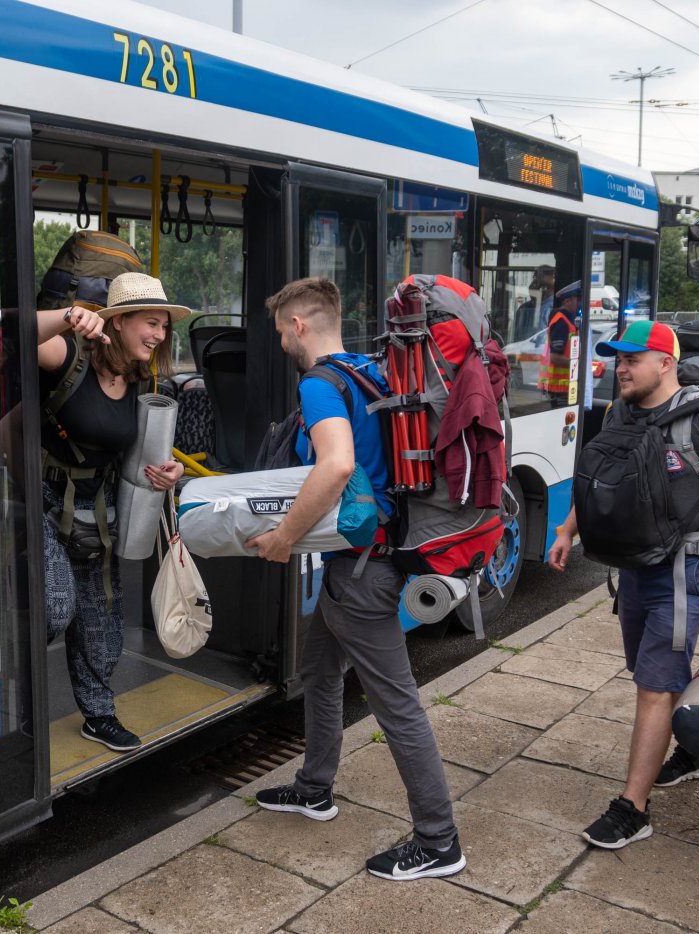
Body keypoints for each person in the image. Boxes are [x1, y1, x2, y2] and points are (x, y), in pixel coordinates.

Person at [250, 277, 464, 881]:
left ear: (297, 326)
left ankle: (439, 840)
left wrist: (285, 538)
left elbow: (337, 464)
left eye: (281, 332)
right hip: (373, 558)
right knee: (320, 670)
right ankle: (315, 787)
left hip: (363, 572)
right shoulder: (371, 370)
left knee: (397, 705)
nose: (283, 344)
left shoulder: (320, 383)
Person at [548, 320, 699, 850]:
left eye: (632, 358)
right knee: (651, 669)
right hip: (637, 559)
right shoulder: (622, 412)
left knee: (655, 683)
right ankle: (692, 751)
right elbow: (600, 480)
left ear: (665, 363)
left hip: (689, 564)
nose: (620, 368)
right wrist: (566, 530)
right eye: (617, 358)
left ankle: (632, 810)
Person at [36, 272, 187, 751]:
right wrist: (65, 317)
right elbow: (4, 330)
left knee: (103, 625)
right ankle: (9, 705)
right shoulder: (70, 356)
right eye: (150, 322)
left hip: (97, 511)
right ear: (118, 322)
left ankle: (98, 715)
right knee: (56, 607)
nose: (159, 335)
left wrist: (171, 472)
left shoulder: (145, 380)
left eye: (164, 326)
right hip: (40, 502)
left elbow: (145, 452)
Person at [538, 280, 581, 407]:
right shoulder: (561, 322)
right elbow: (555, 357)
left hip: (564, 388)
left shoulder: (568, 321)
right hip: (560, 390)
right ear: (567, 301)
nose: (580, 304)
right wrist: (578, 365)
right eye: (577, 300)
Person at [514, 264, 556, 338]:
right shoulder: (524, 309)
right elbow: (517, 335)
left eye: (545, 287)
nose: (540, 290)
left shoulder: (553, 307)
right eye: (537, 285)